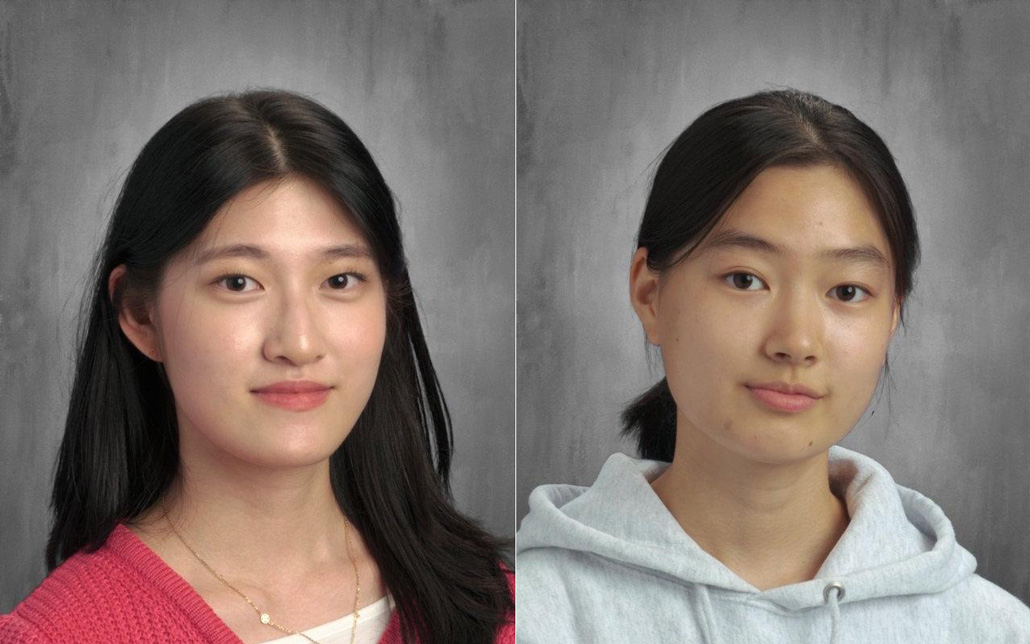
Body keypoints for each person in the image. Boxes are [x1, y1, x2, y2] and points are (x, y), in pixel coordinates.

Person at [515, 89, 1030, 643]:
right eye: (745, 280)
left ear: (891, 317)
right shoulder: (528, 613)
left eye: (847, 291)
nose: (797, 341)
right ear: (650, 294)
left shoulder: (993, 630)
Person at [0, 90, 513, 644]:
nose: (298, 343)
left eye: (339, 280)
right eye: (238, 282)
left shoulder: (501, 608)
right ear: (140, 314)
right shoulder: (57, 634)